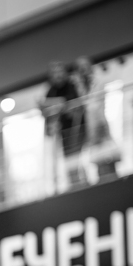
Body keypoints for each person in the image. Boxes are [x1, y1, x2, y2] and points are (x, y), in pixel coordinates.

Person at [41, 60, 86, 189]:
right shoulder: (51, 91)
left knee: (81, 158)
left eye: (60, 71)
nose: (58, 75)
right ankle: (76, 186)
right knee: (71, 163)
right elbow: (46, 111)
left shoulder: (71, 85)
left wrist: (54, 103)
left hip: (79, 128)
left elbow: (70, 103)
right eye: (54, 73)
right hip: (64, 133)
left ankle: (83, 184)